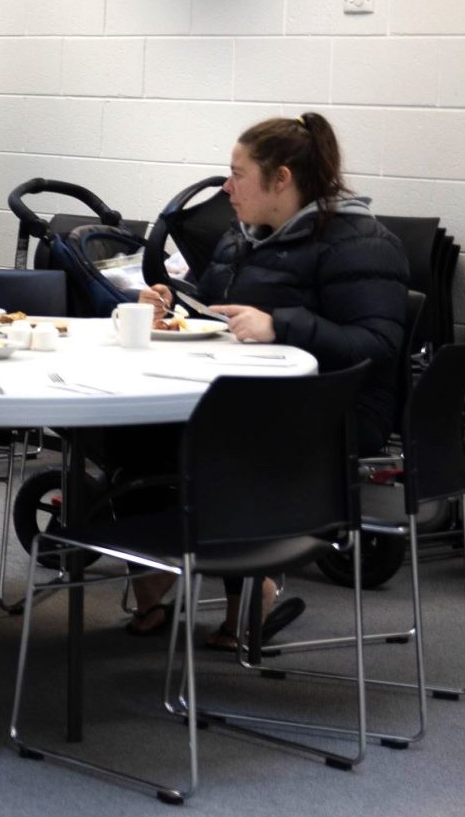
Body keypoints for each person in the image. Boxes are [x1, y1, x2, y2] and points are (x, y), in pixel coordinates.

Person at [121, 112, 410, 648]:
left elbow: (378, 345)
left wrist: (281, 326)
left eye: (238, 174)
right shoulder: (243, 238)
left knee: (203, 439)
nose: (226, 188)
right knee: (128, 430)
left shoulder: (361, 242)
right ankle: (163, 569)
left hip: (336, 409)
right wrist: (169, 302)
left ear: (281, 178)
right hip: (253, 398)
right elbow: (210, 306)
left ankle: (240, 588)